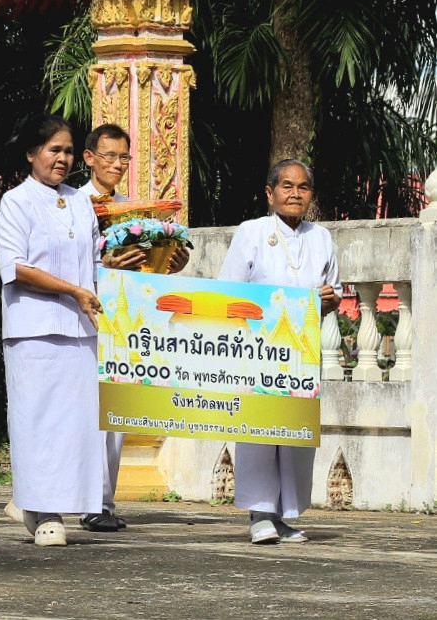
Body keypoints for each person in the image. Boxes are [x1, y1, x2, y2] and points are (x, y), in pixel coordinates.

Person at [0, 115, 104, 547]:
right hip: (33, 328)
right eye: (54, 149)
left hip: (81, 330)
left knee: (75, 425)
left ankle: (45, 506)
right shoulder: (15, 201)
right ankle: (45, 513)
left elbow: (96, 262)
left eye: (69, 151)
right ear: (31, 153)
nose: (62, 158)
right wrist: (73, 290)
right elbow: (15, 267)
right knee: (37, 422)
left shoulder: (81, 202)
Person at [218, 159, 340, 545]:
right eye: (287, 186)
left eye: (303, 187)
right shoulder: (251, 232)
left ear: (311, 195)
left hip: (302, 353)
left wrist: (327, 300)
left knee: (294, 435)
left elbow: (334, 292)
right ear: (270, 193)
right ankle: (259, 513)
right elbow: (229, 292)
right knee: (259, 430)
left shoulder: (321, 237)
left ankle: (285, 515)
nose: (295, 194)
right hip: (258, 350)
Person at [78, 123, 189, 531]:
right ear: (89, 158)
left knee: (117, 411)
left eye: (124, 157)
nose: (117, 164)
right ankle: (77, 497)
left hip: (126, 318)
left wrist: (172, 262)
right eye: (109, 156)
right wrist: (101, 267)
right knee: (83, 410)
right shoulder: (72, 206)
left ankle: (102, 502)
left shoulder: (138, 213)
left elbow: (150, 269)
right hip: (82, 314)